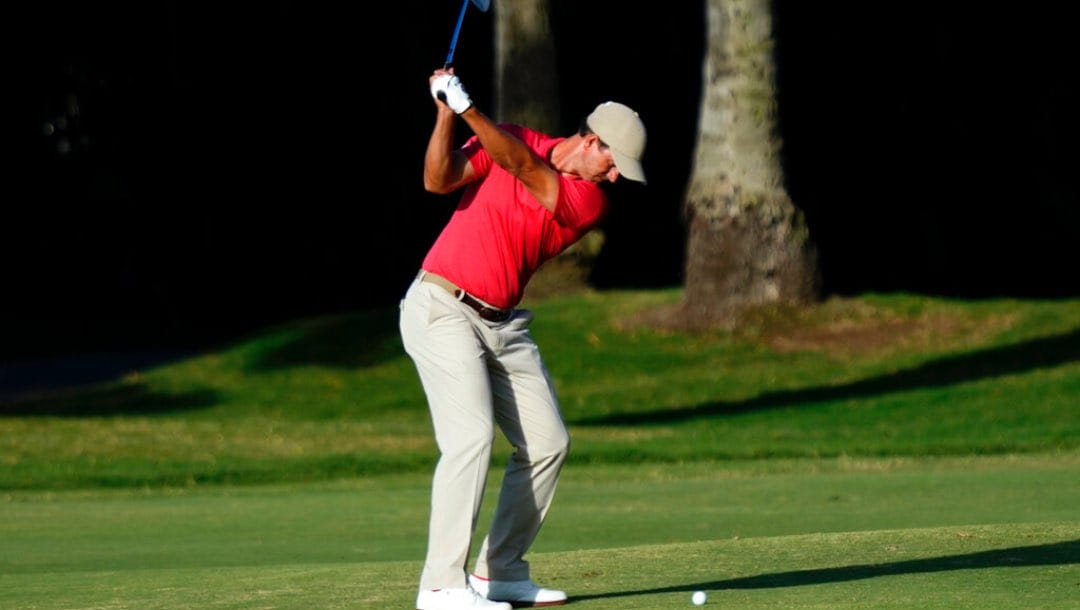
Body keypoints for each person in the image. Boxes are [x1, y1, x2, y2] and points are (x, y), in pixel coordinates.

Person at [400, 67, 646, 610]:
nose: (612, 179)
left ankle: (499, 572)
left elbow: (520, 164)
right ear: (590, 140)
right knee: (469, 438)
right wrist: (445, 115)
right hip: (441, 306)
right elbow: (437, 181)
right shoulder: (511, 135)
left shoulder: (587, 202)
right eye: (612, 164)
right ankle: (441, 585)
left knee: (548, 442)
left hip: (502, 326)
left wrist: (467, 109)